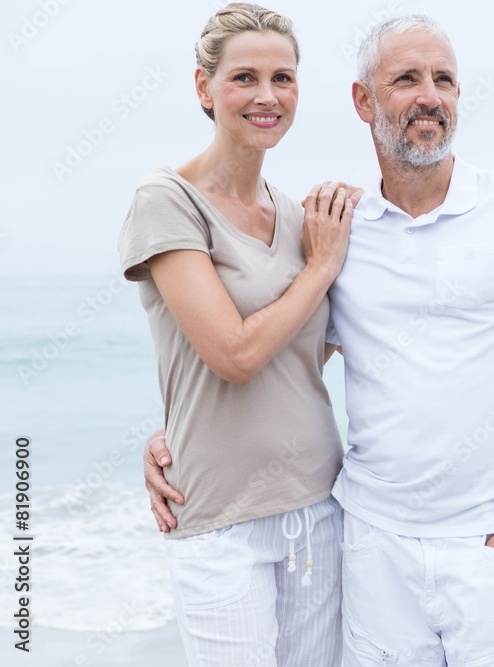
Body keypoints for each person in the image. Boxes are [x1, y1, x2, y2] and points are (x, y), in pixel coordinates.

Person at [147, 14, 494, 666]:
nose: (429, 96)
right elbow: (280, 360)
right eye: (406, 79)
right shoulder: (337, 229)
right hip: (371, 546)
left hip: (491, 544)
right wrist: (173, 432)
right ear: (364, 100)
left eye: (443, 80)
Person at [119, 4, 358, 665]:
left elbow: (309, 348)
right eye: (244, 77)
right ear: (204, 87)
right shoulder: (166, 200)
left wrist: (178, 421)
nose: (266, 96)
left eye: (283, 78)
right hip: (219, 522)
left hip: (318, 508)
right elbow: (236, 353)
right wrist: (322, 266)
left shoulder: (296, 215)